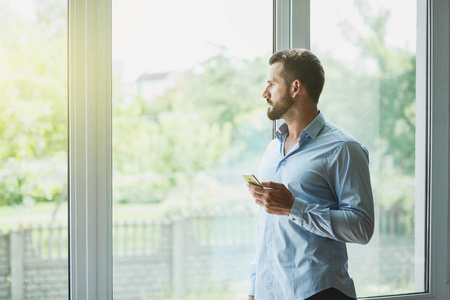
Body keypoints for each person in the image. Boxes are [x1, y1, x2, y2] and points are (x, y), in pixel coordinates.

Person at [246, 49, 375, 300]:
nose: (265, 93)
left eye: (272, 84)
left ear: (296, 88)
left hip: (320, 292)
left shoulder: (343, 149)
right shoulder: (272, 149)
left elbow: (362, 228)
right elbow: (268, 227)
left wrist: (294, 207)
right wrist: (255, 286)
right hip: (272, 292)